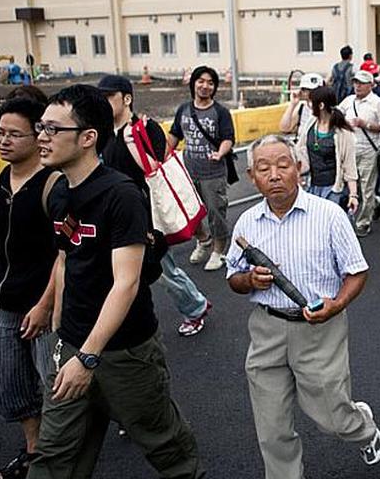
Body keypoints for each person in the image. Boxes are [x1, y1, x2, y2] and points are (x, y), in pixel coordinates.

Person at [29, 85, 202, 479]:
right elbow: (64, 260)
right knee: (54, 454)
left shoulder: (120, 195)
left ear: (88, 137)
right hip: (72, 342)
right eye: (41, 126)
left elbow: (126, 283)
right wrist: (58, 327)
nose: (42, 136)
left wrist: (88, 356)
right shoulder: (58, 192)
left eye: (54, 129)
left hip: (125, 352)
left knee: (164, 444)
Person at [226, 135, 380, 479]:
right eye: (264, 168)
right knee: (271, 426)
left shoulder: (329, 215)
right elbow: (232, 278)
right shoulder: (246, 223)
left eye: (283, 165)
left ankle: (363, 427)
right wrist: (250, 280)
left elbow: (357, 271)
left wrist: (337, 303)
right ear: (253, 176)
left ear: (299, 168)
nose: (274, 174)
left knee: (332, 417)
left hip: (319, 328)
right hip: (266, 328)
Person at [99, 75, 213, 337]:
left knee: (163, 270)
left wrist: (137, 137)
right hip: (115, 214)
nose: (103, 103)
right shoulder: (103, 134)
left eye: (108, 97)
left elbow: (157, 167)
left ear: (127, 99)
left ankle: (195, 308)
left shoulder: (144, 128)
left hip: (144, 215)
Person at [0, 96, 59, 479]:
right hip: (8, 300)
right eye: (1, 133)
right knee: (6, 377)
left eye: (14, 134)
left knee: (53, 381)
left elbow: (65, 255)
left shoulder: (54, 186)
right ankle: (34, 449)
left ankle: (56, 454)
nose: (4, 141)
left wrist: (46, 305)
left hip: (48, 302)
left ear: (38, 136)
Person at [168, 65, 236, 271]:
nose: (205, 86)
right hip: (189, 172)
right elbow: (174, 135)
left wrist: (220, 153)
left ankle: (218, 251)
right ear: (194, 83)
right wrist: (160, 157)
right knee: (190, 212)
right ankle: (203, 240)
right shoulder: (184, 109)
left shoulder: (220, 112)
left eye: (210, 83)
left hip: (213, 173)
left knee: (216, 213)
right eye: (201, 81)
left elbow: (228, 138)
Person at [295, 86, 359, 213]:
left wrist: (353, 195)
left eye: (311, 102)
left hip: (332, 189)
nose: (309, 105)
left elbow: (349, 165)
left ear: (321, 105)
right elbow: (299, 149)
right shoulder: (311, 123)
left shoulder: (342, 133)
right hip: (310, 186)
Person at [339, 70, 380, 237]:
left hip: (368, 149)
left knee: (367, 188)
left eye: (361, 82)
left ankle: (363, 222)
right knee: (352, 187)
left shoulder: (377, 102)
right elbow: (336, 116)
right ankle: (377, 201)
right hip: (349, 149)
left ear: (370, 85)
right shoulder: (348, 101)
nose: (357, 86)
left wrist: (364, 124)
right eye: (355, 82)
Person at [280, 72, 324, 143]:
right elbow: (285, 128)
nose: (310, 93)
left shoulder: (327, 108)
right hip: (302, 148)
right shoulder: (301, 107)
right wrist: (292, 104)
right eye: (305, 89)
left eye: (313, 90)